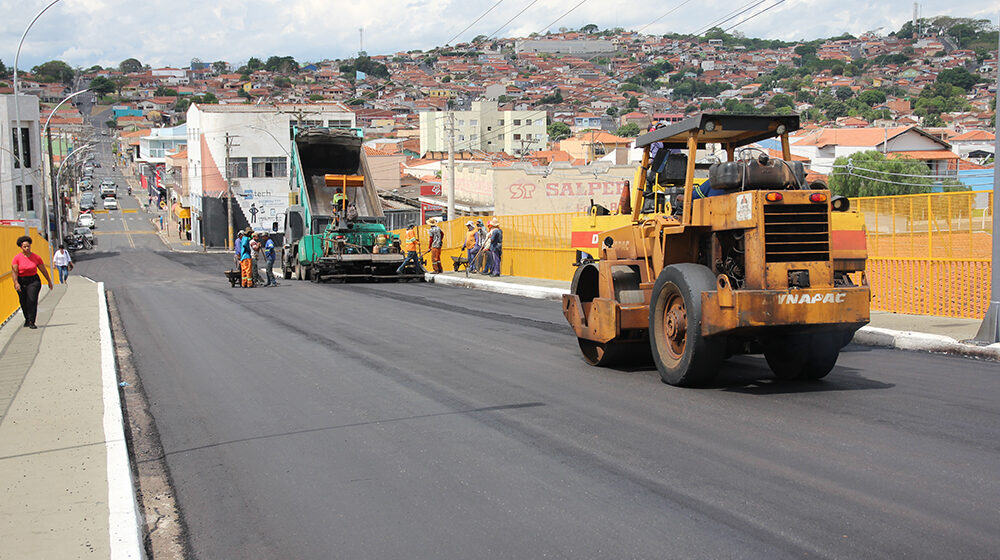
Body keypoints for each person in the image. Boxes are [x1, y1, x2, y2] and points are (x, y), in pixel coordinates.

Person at [11, 236, 54, 329]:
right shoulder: (17, 258)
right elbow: (14, 272)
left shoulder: (36, 257)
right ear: (21, 247)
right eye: (25, 247)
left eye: (28, 246)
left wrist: (49, 281)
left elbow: (43, 270)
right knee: (23, 302)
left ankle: (32, 321)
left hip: (33, 281)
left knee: (32, 300)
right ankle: (27, 319)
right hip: (21, 280)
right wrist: (16, 283)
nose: (27, 248)